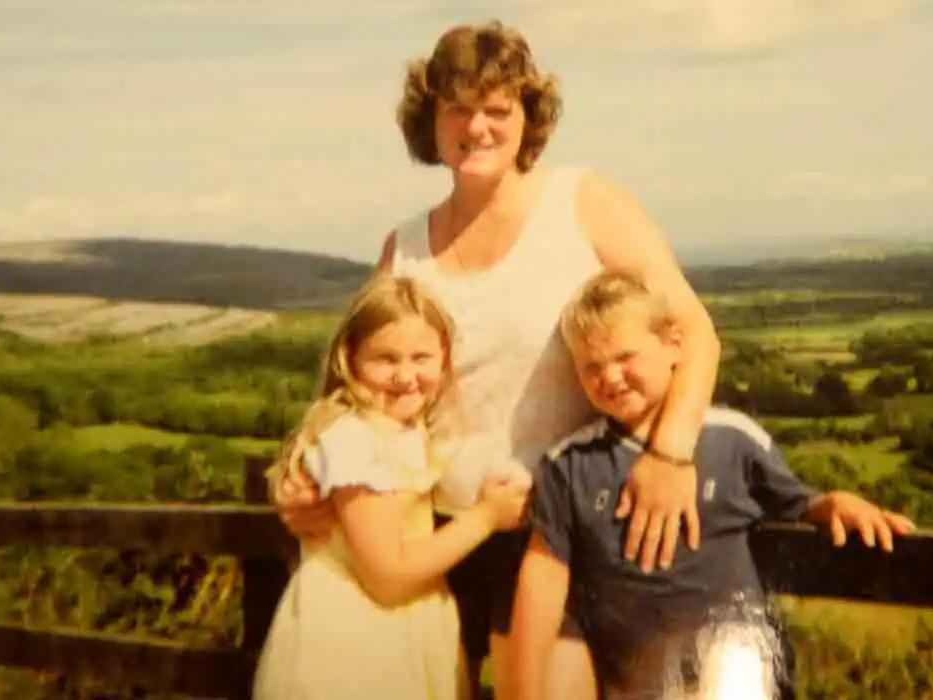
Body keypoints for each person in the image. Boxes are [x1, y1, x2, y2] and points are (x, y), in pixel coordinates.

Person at [273, 20, 722, 699]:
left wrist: (671, 453)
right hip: (432, 539)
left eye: (497, 109)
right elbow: (353, 388)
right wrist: (304, 477)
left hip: (561, 530)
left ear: (528, 117)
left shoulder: (582, 202)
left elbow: (693, 330)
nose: (477, 126)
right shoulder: (405, 246)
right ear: (430, 119)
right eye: (458, 107)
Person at [507, 271, 917, 700]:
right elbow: (544, 580)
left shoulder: (732, 439)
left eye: (625, 357)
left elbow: (799, 502)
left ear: (673, 346)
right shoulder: (569, 466)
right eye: (591, 367)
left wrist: (837, 503)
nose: (609, 377)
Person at [251, 275, 530, 700]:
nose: (406, 376)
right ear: (350, 359)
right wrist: (485, 517)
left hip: (402, 631)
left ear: (445, 358)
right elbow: (388, 576)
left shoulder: (403, 429)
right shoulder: (354, 441)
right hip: (356, 641)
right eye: (385, 359)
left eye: (422, 357)